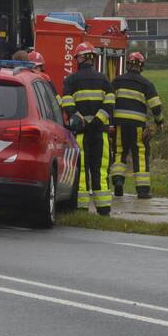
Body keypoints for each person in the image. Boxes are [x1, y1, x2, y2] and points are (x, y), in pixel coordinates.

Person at [60, 42, 114, 215]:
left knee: (82, 170)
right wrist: (97, 121)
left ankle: (82, 208)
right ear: (93, 58)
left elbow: (67, 103)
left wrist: (80, 119)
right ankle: (103, 209)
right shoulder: (104, 79)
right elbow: (110, 103)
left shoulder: (71, 80)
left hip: (81, 134)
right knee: (101, 170)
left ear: (80, 58)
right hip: (100, 133)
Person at [109, 52, 163, 199]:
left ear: (128, 65)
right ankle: (143, 190)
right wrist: (159, 121)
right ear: (141, 66)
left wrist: (110, 123)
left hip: (120, 125)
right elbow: (156, 107)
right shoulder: (146, 84)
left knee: (119, 152)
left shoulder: (117, 81)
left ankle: (118, 181)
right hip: (138, 126)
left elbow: (109, 103)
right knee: (140, 155)